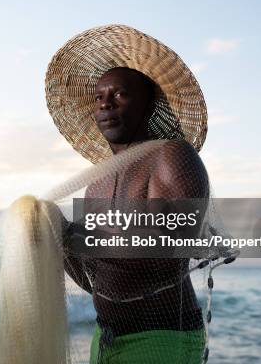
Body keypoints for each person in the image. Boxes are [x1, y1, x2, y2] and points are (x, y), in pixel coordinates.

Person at [44, 25, 211, 363]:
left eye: (119, 94)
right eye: (99, 97)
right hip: (105, 338)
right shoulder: (97, 183)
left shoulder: (171, 156)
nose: (106, 104)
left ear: (149, 103)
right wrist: (58, 240)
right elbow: (98, 282)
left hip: (163, 338)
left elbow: (176, 241)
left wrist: (80, 235)